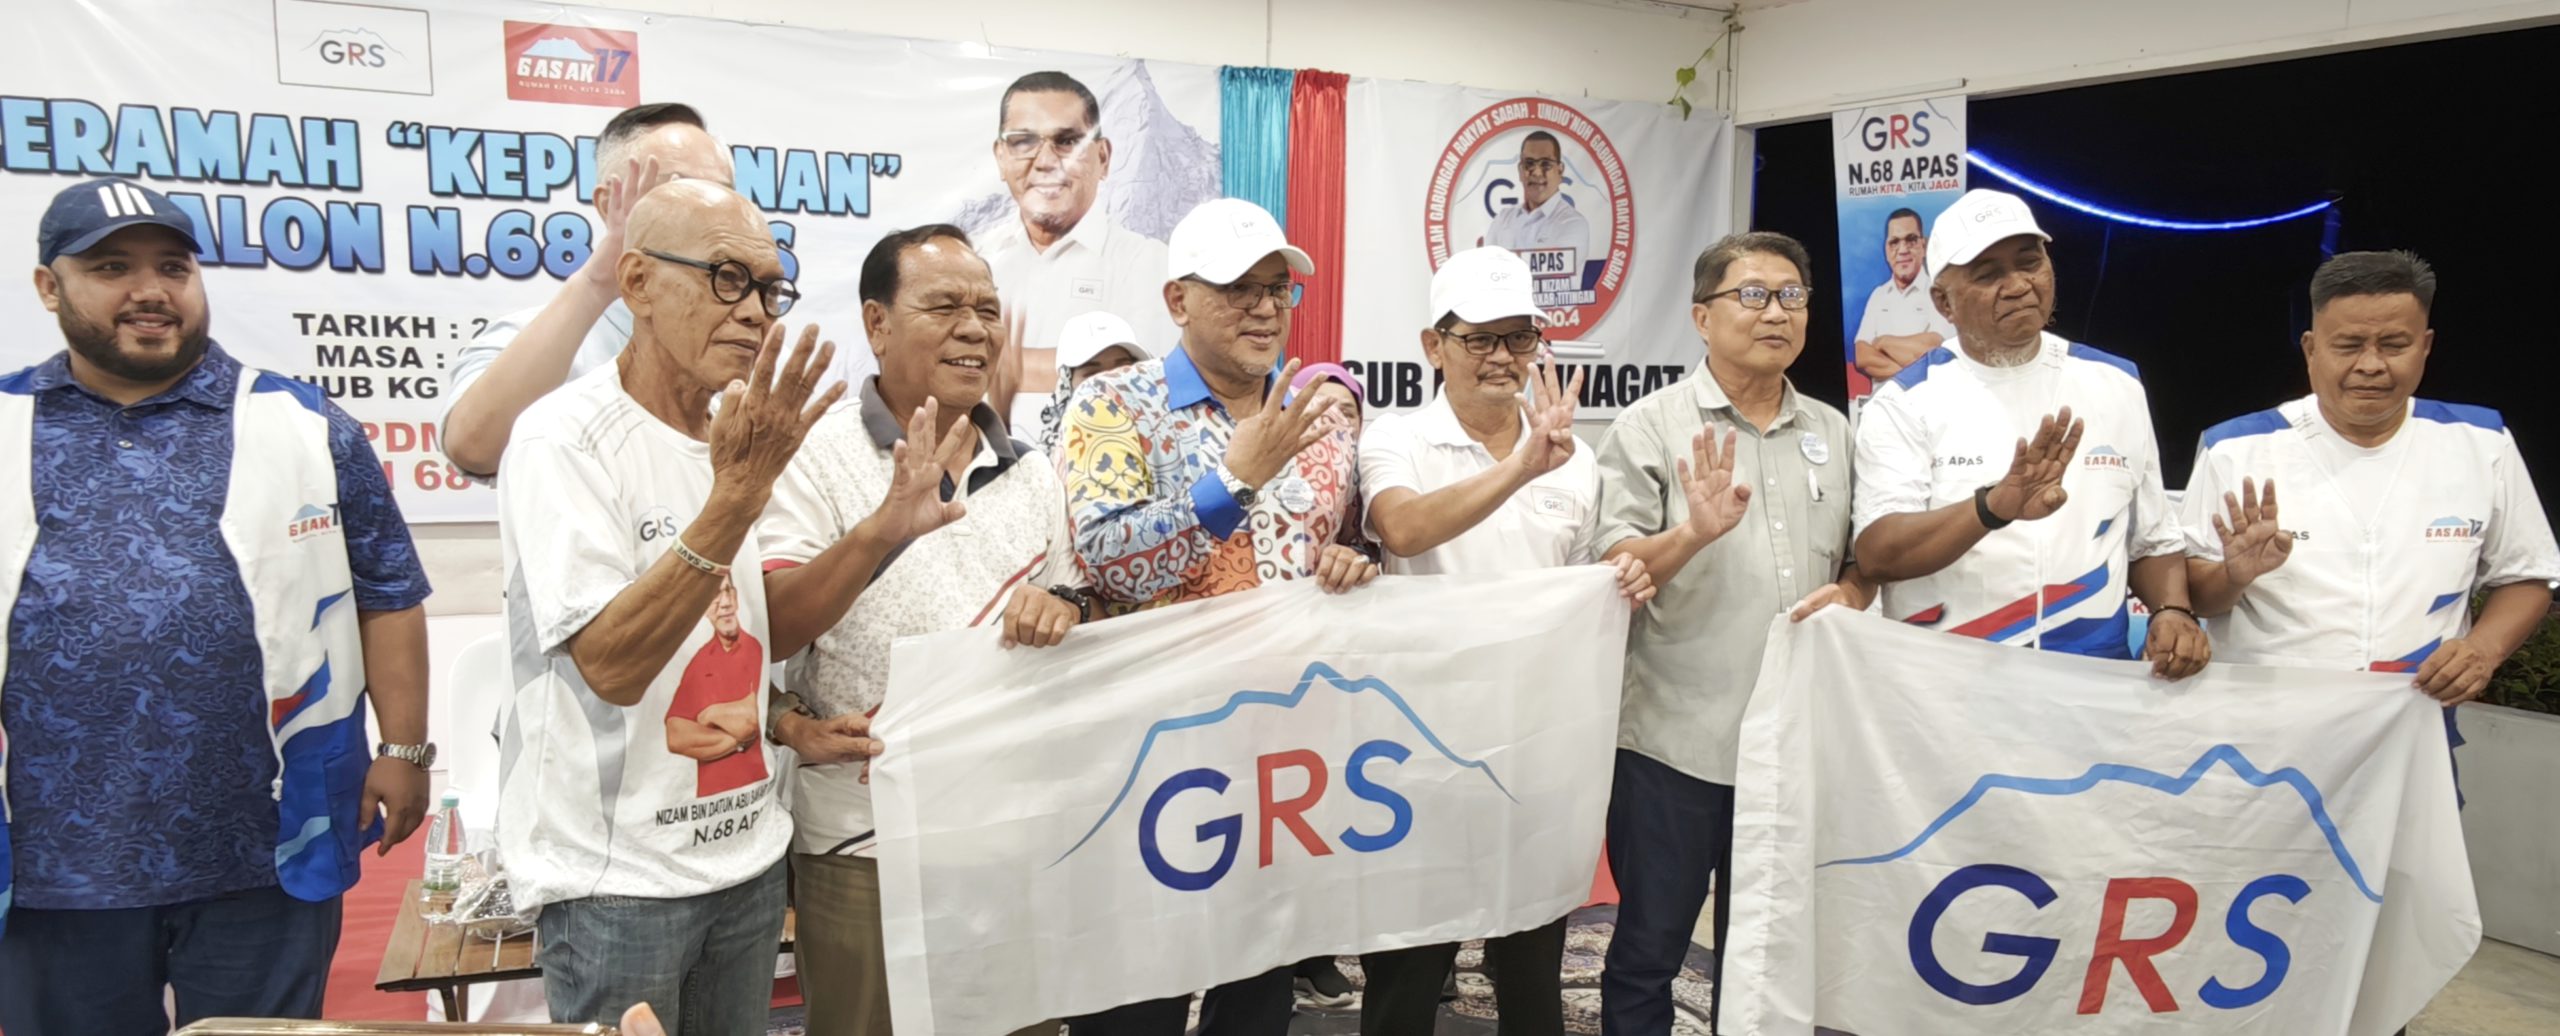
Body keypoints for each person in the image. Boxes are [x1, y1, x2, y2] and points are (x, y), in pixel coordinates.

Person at [0, 177, 433, 1035]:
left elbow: (388, 593)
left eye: (174, 266)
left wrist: (406, 748)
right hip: (56, 865)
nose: (150, 290)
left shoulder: (302, 422)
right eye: (112, 268)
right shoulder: (10, 420)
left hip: (266, 848)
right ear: (50, 286)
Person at [493, 179, 854, 1033]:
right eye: (727, 278)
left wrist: (887, 530)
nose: (754, 311)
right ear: (639, 282)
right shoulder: (563, 438)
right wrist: (735, 498)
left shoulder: (744, 427)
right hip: (619, 880)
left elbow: (754, 629)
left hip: (746, 858)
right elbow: (612, 667)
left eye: (769, 289)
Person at [1057, 196, 1376, 1036]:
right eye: (1238, 289)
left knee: (1258, 992)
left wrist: (1356, 563)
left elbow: (1344, 546)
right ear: (1178, 300)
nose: (1264, 308)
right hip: (1152, 756)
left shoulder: (1320, 419)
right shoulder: (1113, 404)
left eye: (1277, 289)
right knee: (1136, 1000)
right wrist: (1233, 482)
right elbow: (1108, 558)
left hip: (1283, 760)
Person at [759, 224, 1086, 1036]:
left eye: (988, 310)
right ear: (876, 323)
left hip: (1010, 832)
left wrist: (1067, 609)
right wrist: (881, 530)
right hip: (865, 839)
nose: (974, 329)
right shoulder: (813, 453)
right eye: (944, 307)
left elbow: (1073, 603)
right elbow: (773, 626)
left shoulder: (1032, 471)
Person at [1353, 245, 1654, 1036]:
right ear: (1434, 345)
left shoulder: (1577, 462)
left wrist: (1628, 574)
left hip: (1534, 745)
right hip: (1418, 745)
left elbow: (1587, 587)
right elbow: (1403, 529)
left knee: (1530, 964)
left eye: (1519, 338)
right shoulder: (1397, 438)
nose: (1502, 357)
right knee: (1409, 967)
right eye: (1479, 338)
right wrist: (1522, 466)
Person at [1592, 232, 1865, 1036]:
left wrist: (1854, 591)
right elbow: (1614, 569)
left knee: (1765, 958)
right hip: (1676, 744)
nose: (1775, 312)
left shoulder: (1834, 432)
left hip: (1794, 746)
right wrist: (1693, 534)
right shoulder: (1651, 426)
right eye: (1752, 295)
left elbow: (1863, 560)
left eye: (1792, 296)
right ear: (1701, 317)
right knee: (1649, 953)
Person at [2184, 250, 2557, 731]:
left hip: (2412, 728)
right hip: (2261, 729)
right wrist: (2233, 575)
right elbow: (2196, 596)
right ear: (2311, 349)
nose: (2371, 365)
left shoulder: (2482, 443)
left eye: (2394, 345)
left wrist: (2482, 650)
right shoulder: (2236, 448)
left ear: (2425, 346)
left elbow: (2526, 576)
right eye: (2349, 345)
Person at [1850, 188, 2211, 678]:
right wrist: (1991, 507)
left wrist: (2172, 610)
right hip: (1949, 693)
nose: (2019, 285)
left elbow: (2151, 539)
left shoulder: (2116, 383)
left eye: (2030, 262)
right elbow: (1878, 553)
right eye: (1988, 274)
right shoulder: (1906, 402)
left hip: (2092, 689)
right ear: (1943, 302)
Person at [441, 102, 736, 478]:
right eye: (679, 190)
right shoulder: (539, 339)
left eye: (722, 194)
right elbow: (474, 448)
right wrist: (597, 284)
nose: (708, 210)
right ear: (608, 203)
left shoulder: (753, 341)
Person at [980, 70, 1176, 437]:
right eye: (1024, 142)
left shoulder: (1148, 261)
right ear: (1001, 157)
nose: (1045, 161)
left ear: (1103, 157)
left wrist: (991, 361)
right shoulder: (976, 260)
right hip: (986, 464)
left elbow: (1139, 377)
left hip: (1102, 461)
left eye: (1067, 141)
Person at [1851, 207, 1958, 383]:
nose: (1902, 250)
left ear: (1924, 246)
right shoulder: (1878, 296)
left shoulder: (1940, 293)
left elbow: (1937, 352)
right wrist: (1908, 378)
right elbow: (1862, 356)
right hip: (1883, 399)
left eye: (1911, 240)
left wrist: (1883, 342)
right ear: (1886, 250)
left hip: (1928, 398)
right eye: (1894, 242)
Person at [1033, 309, 1150, 456]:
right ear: (1067, 386)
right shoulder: (1043, 464)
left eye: (1121, 371)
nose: (1109, 384)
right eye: (1093, 376)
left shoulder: (1163, 447)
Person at [1484, 131, 1591, 262]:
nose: (1537, 173)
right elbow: (1487, 267)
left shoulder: (1573, 223)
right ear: (1520, 171)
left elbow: (1547, 271)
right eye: (1529, 164)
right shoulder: (1503, 219)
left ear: (1560, 171)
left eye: (1546, 164)